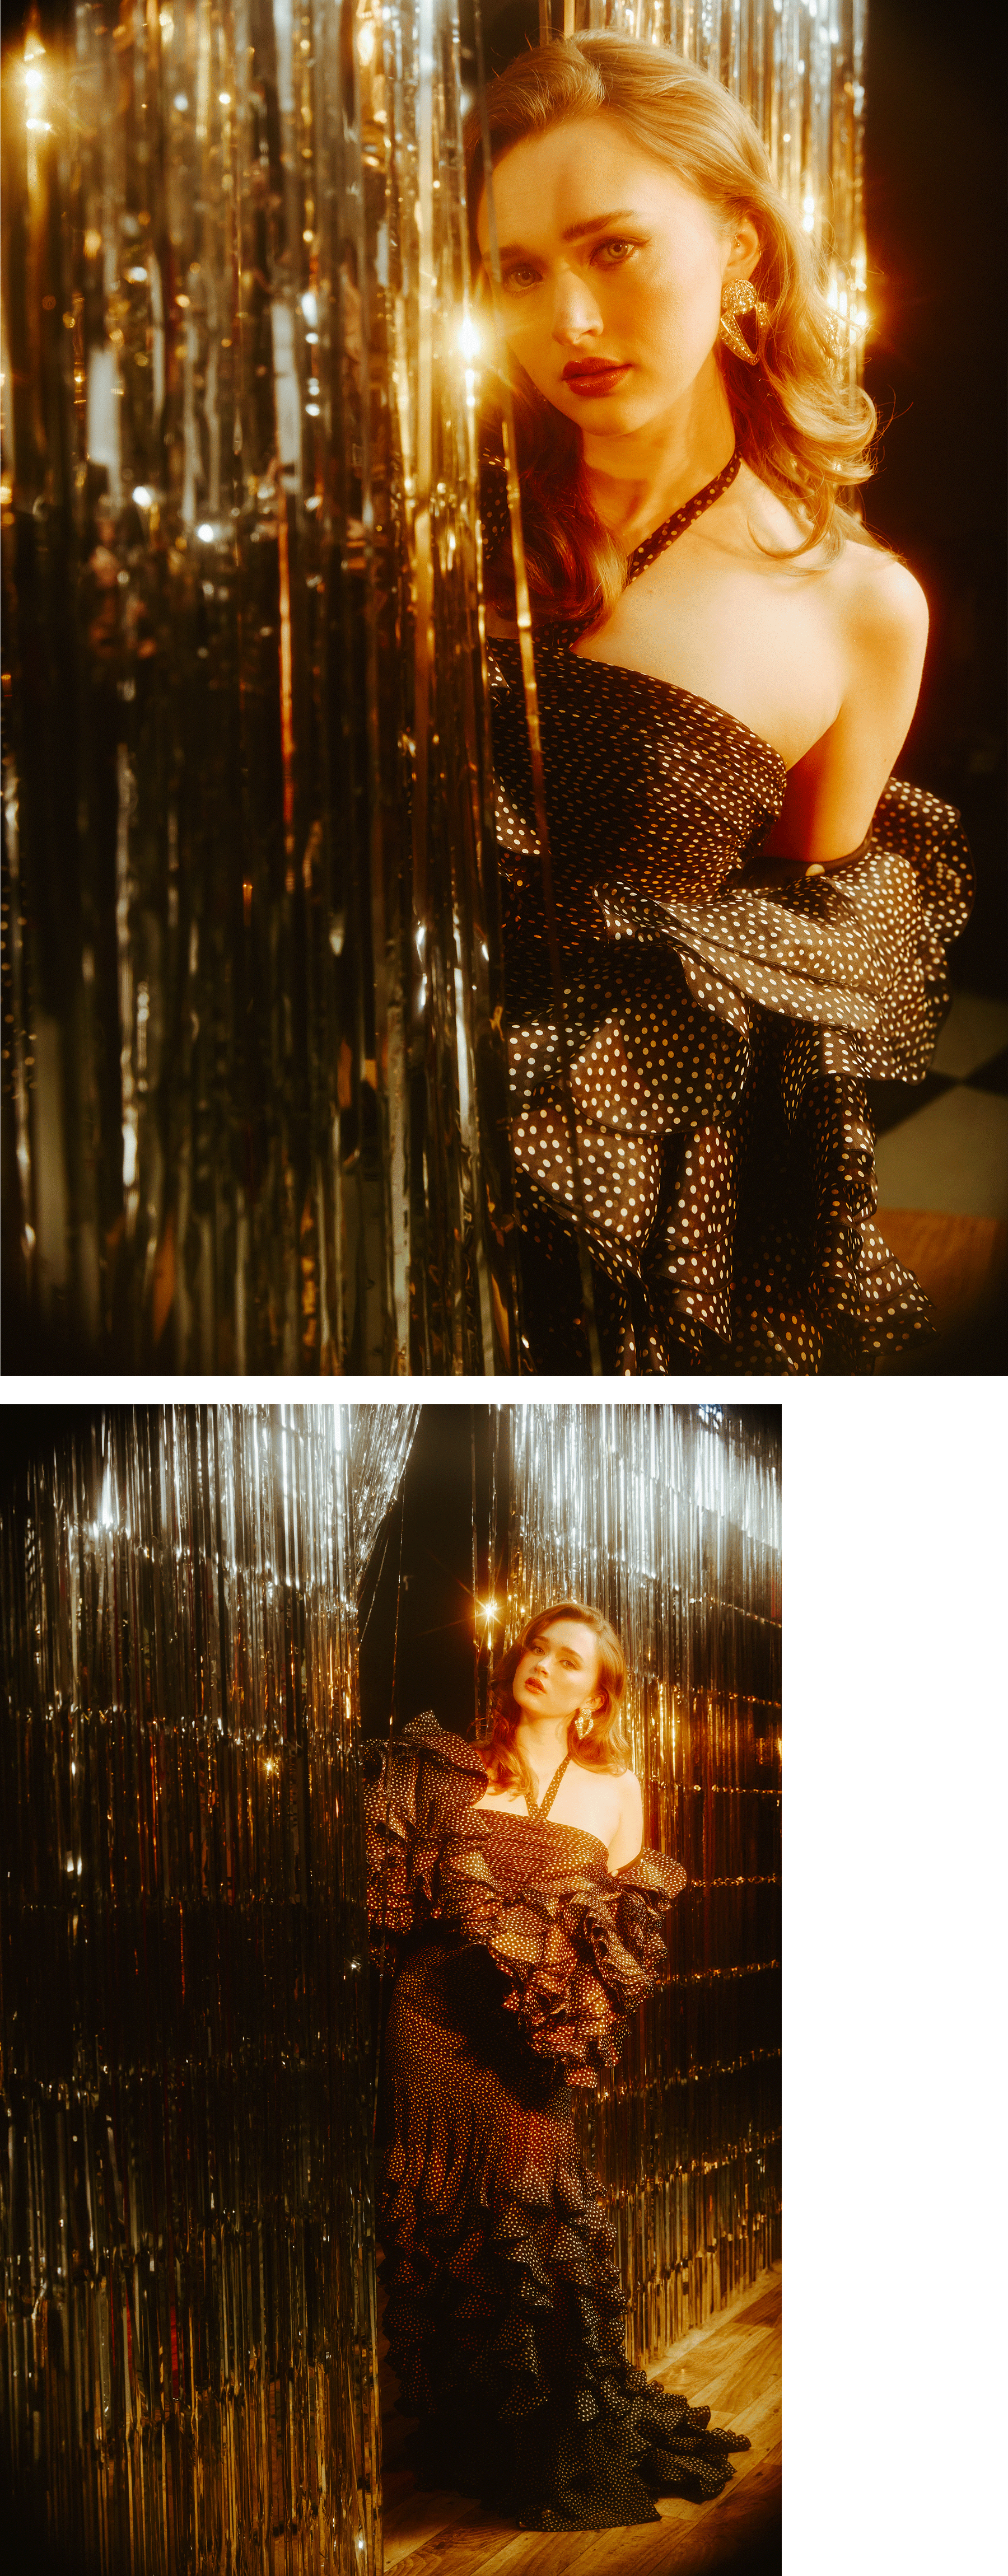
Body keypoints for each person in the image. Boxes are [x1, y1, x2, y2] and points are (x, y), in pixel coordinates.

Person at [465, 35, 972, 1373]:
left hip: (606, 1220)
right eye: (521, 270)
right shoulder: (427, 538)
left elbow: (789, 977)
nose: (565, 318)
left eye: (613, 247)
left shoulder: (858, 607)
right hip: (349, 1141)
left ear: (739, 246)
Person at [362, 1600, 750, 2532]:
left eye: (571, 1660)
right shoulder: (442, 1765)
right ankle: (473, 2426)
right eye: (539, 1646)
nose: (546, 1663)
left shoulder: (619, 1787)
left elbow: (625, 1935)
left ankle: (553, 2439)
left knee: (533, 2223)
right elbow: (385, 1897)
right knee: (446, 2225)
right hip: (430, 2019)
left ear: (596, 1697)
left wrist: (567, 2018)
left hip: (527, 2043)